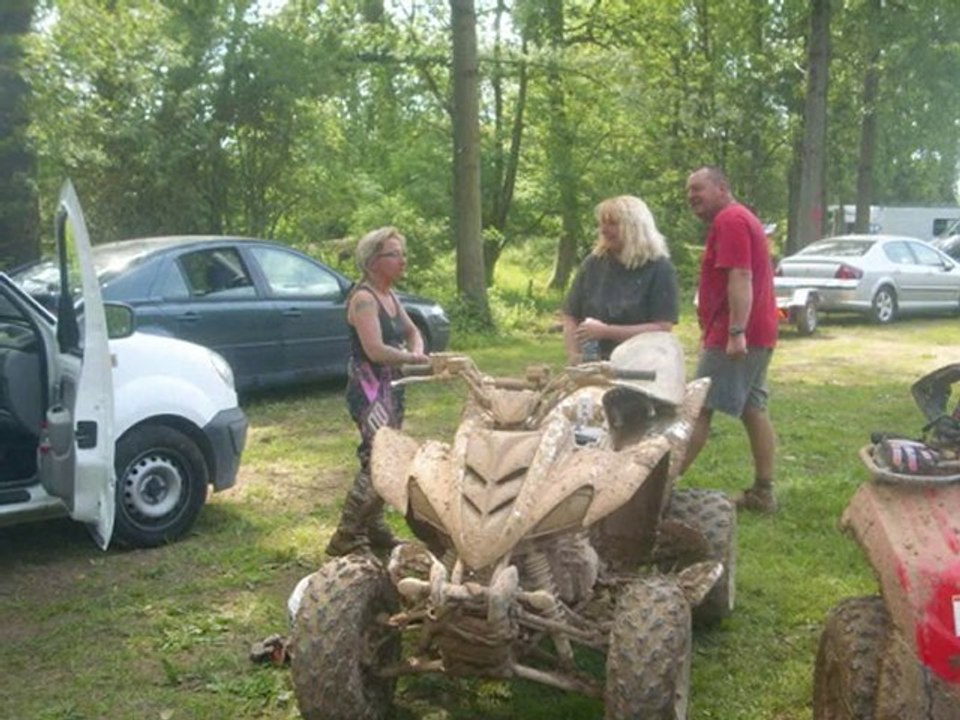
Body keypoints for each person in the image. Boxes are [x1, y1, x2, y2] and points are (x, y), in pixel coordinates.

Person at [325, 226, 429, 556]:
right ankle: (348, 535)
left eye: (402, 253)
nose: (402, 260)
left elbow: (412, 331)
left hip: (392, 387)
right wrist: (412, 358)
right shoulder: (364, 299)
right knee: (378, 458)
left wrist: (418, 349)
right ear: (372, 261)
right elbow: (375, 350)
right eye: (394, 254)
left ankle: (373, 525)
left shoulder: (389, 296)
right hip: (369, 390)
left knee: (384, 455)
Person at [681, 166, 779, 513]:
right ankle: (763, 492)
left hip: (736, 336)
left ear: (722, 188)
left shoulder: (731, 220)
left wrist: (736, 332)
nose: (691, 195)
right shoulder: (740, 219)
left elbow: (740, 276)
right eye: (688, 190)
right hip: (755, 332)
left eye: (698, 188)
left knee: (698, 409)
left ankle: (658, 490)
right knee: (753, 408)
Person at [561, 195, 679, 365]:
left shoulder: (659, 268)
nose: (603, 230)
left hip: (641, 366)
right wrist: (573, 355)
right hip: (593, 363)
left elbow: (662, 328)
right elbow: (571, 315)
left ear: (634, 228)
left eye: (612, 224)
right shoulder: (593, 263)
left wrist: (606, 331)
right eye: (602, 223)